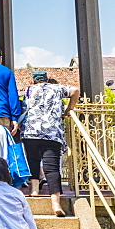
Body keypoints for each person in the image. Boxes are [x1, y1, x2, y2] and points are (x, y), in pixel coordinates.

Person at [22, 75, 78, 216]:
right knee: (52, 168)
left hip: (31, 131)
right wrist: (69, 109)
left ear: (34, 81)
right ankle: (55, 203)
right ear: (46, 80)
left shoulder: (29, 90)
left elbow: (24, 108)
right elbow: (75, 90)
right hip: (52, 132)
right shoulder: (57, 88)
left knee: (33, 162)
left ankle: (34, 191)